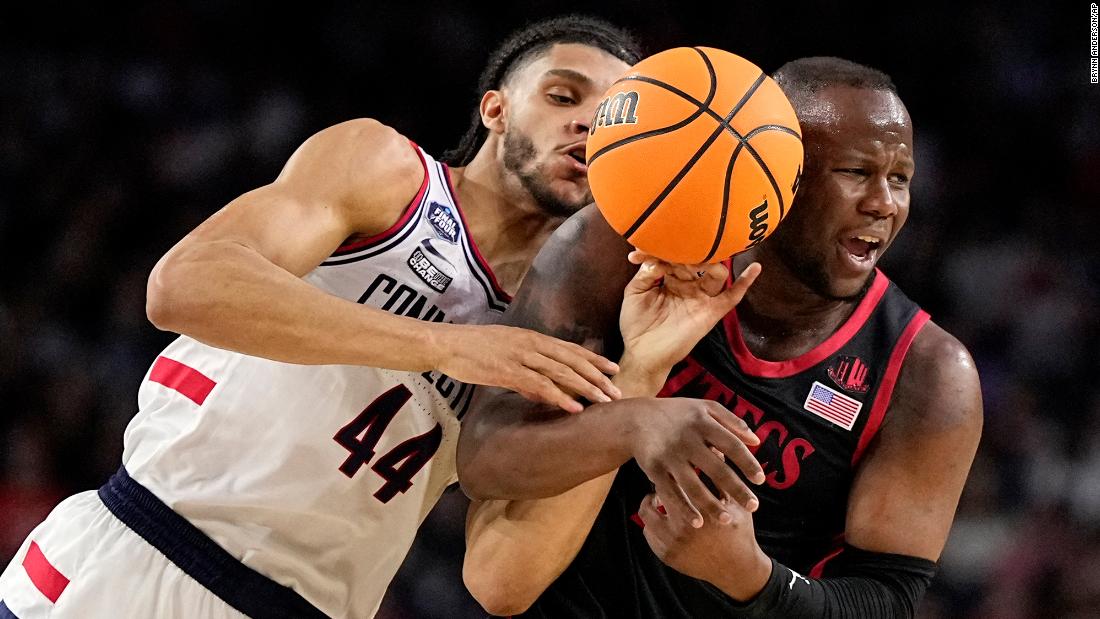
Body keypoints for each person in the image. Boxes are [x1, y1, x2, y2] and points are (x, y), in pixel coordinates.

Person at [0, 15, 642, 619]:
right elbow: (183, 285)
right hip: (147, 550)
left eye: (612, 121)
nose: (588, 125)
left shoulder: (562, 328)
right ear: (495, 108)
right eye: (563, 97)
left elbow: (504, 583)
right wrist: (444, 346)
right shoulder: (388, 172)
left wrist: (643, 369)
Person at [457, 57, 983, 618]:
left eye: (899, 179)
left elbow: (886, 600)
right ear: (779, 172)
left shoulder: (927, 372)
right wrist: (633, 416)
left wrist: (749, 576)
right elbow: (483, 455)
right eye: (856, 172)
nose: (885, 204)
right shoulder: (623, 248)